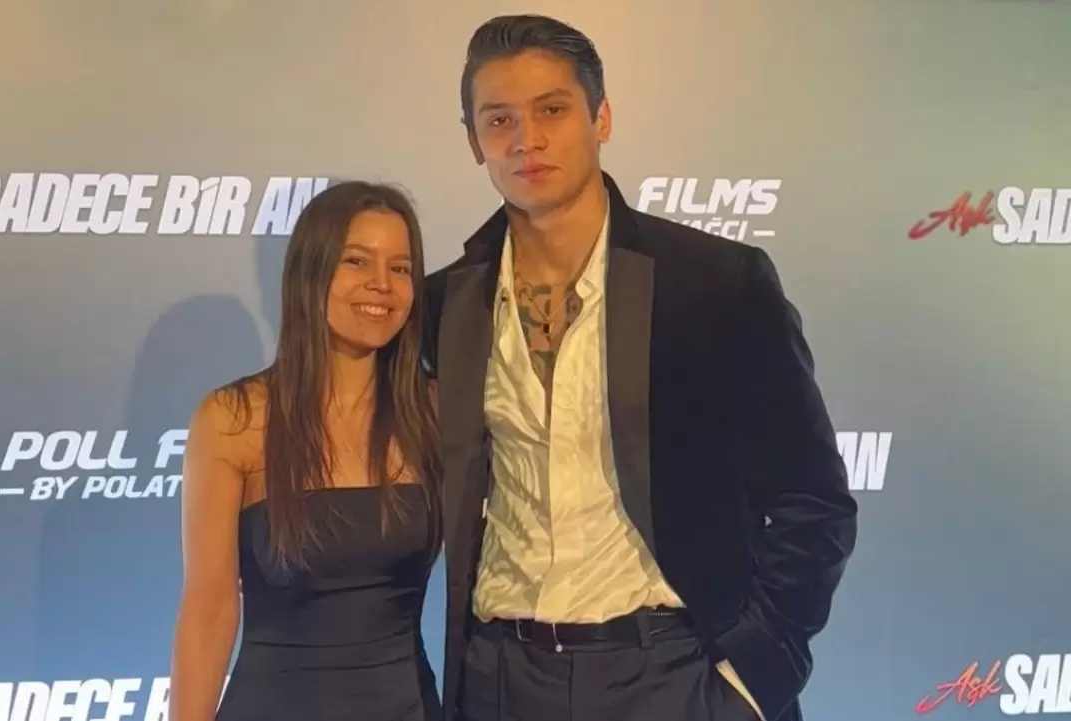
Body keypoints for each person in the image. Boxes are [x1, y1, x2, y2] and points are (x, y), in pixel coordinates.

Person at [421, 14, 858, 721]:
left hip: (674, 672)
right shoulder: (445, 302)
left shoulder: (716, 282)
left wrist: (752, 680)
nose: (526, 139)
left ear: (601, 117)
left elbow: (814, 502)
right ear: (474, 140)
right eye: (499, 120)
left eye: (552, 110)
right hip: (500, 676)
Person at [169, 180, 443, 721]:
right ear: (310, 273)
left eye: (401, 268)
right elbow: (209, 610)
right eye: (356, 261)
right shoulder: (235, 418)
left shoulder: (435, 411)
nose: (381, 284)